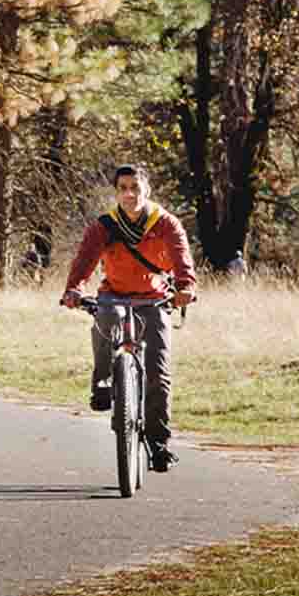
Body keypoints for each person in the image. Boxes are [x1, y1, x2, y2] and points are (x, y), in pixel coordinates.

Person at [60, 163, 198, 472]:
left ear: (146, 190)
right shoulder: (105, 226)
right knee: (103, 317)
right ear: (116, 192)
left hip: (155, 299)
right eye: (123, 188)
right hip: (115, 294)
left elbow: (181, 258)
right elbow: (85, 260)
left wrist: (186, 287)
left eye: (135, 188)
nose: (129, 194)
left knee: (158, 374)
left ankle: (158, 444)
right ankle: (103, 383)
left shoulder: (165, 224)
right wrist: (73, 289)